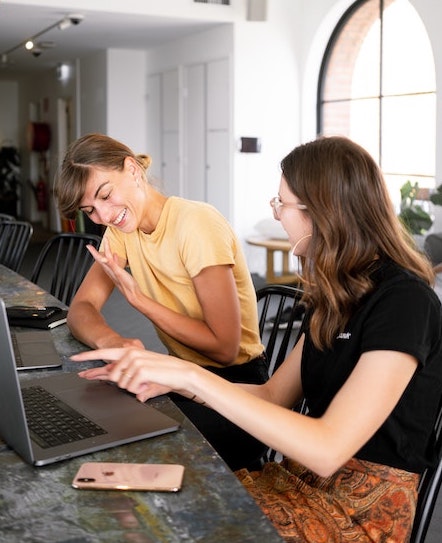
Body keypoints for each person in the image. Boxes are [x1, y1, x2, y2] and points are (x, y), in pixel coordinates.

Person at [72, 135, 442, 542]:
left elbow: (327, 448)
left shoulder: (405, 301)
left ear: (322, 211)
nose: (277, 214)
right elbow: (272, 396)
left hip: (358, 513)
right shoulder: (339, 295)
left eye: (281, 203)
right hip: (300, 482)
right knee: (132, 504)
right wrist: (177, 380)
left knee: (156, 520)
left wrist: (191, 377)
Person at [54, 133, 268, 470]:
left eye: (106, 195)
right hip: (181, 377)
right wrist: (116, 342)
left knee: (125, 438)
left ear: (132, 169)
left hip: (237, 392)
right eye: (90, 210)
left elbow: (225, 348)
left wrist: (139, 300)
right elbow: (81, 309)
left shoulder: (196, 223)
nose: (105, 216)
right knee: (95, 411)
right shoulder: (123, 231)